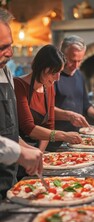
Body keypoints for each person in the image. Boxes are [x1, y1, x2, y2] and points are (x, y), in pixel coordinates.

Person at [0, 8, 43, 199]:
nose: (10, 54)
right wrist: (20, 153)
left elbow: (8, 130)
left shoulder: (6, 73)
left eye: (10, 45)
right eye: (1, 47)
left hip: (9, 184)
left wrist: (26, 147)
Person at [14, 44, 83, 154]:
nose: (58, 78)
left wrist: (40, 153)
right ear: (42, 68)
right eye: (54, 73)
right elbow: (29, 128)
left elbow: (49, 127)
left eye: (60, 72)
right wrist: (63, 135)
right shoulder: (18, 85)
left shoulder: (49, 87)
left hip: (37, 150)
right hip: (18, 150)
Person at [47, 35, 94, 150]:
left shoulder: (79, 75)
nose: (76, 66)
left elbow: (86, 104)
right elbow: (45, 109)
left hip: (77, 138)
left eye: (79, 61)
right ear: (62, 55)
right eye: (72, 60)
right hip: (55, 139)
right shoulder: (52, 76)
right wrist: (69, 115)